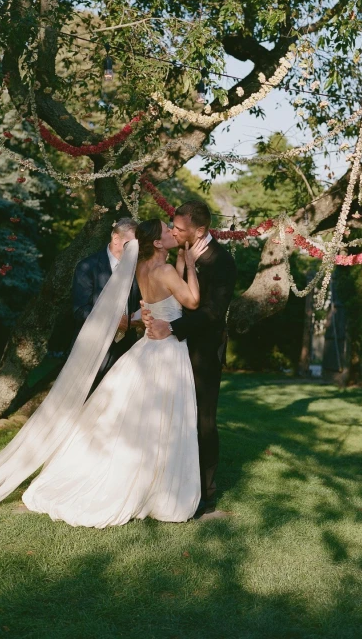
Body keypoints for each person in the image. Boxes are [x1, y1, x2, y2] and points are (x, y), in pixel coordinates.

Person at [0, 220, 209, 543]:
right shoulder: (145, 268)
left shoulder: (142, 269)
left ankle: (146, 484)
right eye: (167, 230)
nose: (172, 231)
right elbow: (190, 300)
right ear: (155, 241)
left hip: (147, 347)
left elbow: (159, 300)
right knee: (161, 418)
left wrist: (145, 314)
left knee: (136, 420)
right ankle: (153, 489)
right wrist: (190, 265)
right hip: (162, 350)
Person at [142, 201, 237, 518]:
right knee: (169, 419)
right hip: (169, 353)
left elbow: (212, 313)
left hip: (202, 353)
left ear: (200, 230)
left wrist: (171, 326)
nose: (173, 231)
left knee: (203, 421)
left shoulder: (222, 262)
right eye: (172, 226)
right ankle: (166, 484)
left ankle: (204, 496)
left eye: (179, 228)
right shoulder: (176, 255)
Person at [71, 218, 141, 396]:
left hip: (127, 350)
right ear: (116, 239)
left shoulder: (137, 269)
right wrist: (113, 320)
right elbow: (79, 311)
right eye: (130, 244)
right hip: (93, 349)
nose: (134, 249)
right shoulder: (88, 266)